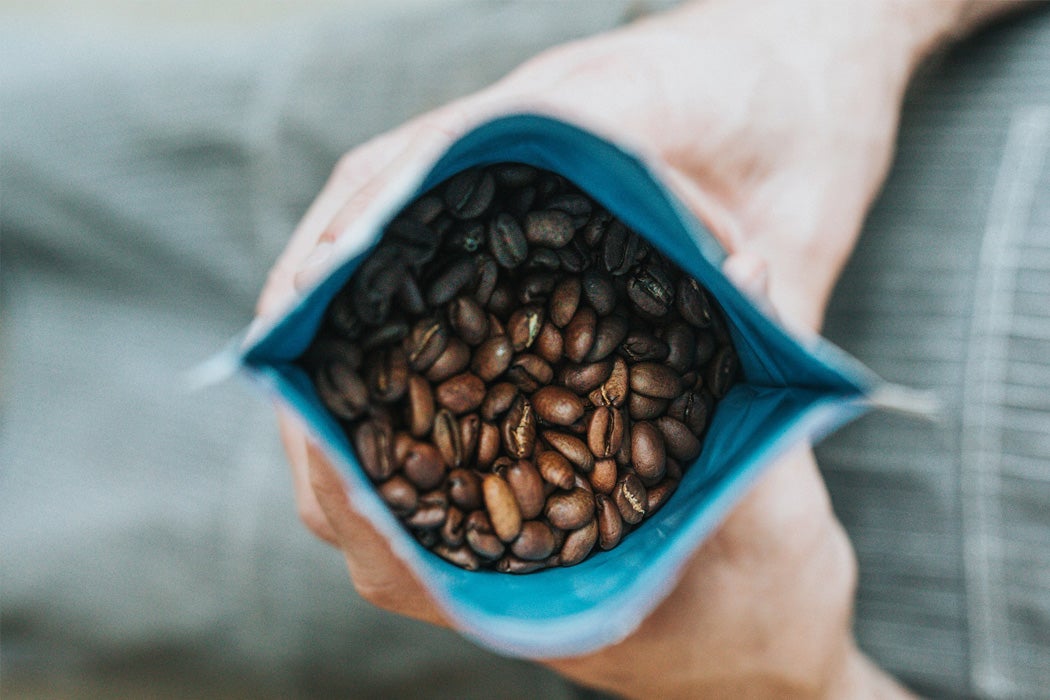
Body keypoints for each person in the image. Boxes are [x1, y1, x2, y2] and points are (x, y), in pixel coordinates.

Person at [3, 0, 1048, 697]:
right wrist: (825, 38)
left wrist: (801, 679)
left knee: (97, 542)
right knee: (80, 141)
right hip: (687, 136)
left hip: (701, 614)